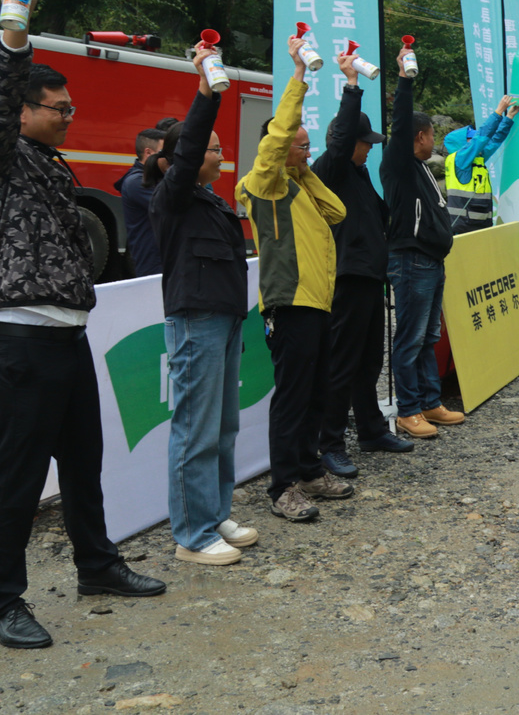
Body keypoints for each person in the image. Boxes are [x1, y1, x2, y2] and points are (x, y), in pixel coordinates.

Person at [0, 0, 164, 650]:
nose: (70, 113)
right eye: (58, 106)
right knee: (14, 479)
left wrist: (5, 274)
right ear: (20, 111)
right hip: (23, 347)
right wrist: (15, 31)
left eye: (70, 106)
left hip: (68, 341)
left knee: (83, 462)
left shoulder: (48, 162)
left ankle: (97, 566)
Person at [146, 40, 255, 565]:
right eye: (211, 148)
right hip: (197, 321)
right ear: (176, 161)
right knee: (195, 428)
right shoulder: (172, 196)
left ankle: (214, 513)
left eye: (218, 148)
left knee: (223, 426)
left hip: (226, 320)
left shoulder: (209, 201)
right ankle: (192, 534)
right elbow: (188, 149)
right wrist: (206, 92)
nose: (218, 153)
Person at [237, 35, 353, 523]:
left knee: (315, 393)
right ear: (280, 147)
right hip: (289, 303)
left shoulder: (298, 185)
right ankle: (282, 485)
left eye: (307, 145)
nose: (306, 150)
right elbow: (277, 138)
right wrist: (299, 77)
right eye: (299, 145)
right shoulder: (262, 184)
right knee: (291, 397)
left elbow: (337, 210)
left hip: (317, 302)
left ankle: (308, 470)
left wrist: (304, 170)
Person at [310, 51, 410, 476]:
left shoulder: (360, 174)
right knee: (341, 363)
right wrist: (352, 86)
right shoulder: (330, 168)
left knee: (369, 361)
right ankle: (330, 443)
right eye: (365, 142)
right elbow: (341, 141)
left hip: (369, 279)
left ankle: (371, 429)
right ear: (347, 140)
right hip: (346, 280)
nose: (369, 149)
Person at [381, 45, 465, 438]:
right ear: (419, 136)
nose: (436, 141)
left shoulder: (419, 168)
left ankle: (430, 402)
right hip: (411, 261)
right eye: (433, 135)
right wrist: (404, 80)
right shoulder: (398, 163)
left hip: (430, 261)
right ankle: (408, 409)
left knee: (429, 335)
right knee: (411, 337)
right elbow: (399, 125)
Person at [443, 96, 519, 234]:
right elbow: (482, 137)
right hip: (463, 227)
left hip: (479, 225)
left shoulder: (476, 159)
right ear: (463, 144)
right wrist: (498, 111)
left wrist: (509, 117)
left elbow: (495, 140)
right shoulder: (460, 159)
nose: (476, 139)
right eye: (471, 138)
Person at [116, 127, 165, 276]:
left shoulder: (153, 178)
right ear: (148, 153)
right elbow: (174, 206)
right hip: (153, 265)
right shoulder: (137, 182)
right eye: (164, 152)